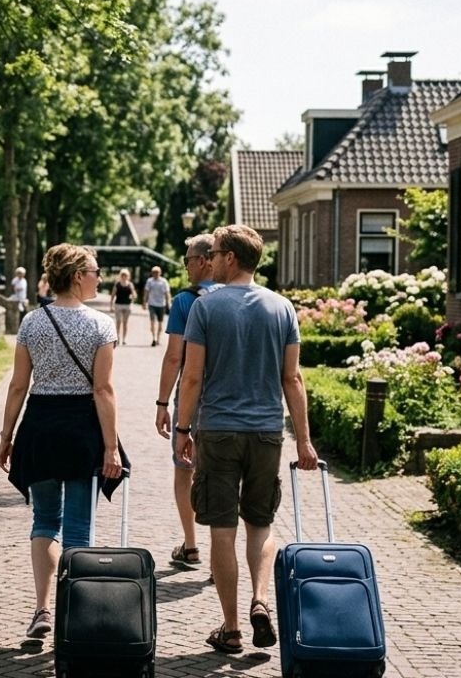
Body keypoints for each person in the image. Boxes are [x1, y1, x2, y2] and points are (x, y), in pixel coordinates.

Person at [172, 224, 319, 656]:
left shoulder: (206, 308)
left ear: (231, 258)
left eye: (215, 253)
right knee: (261, 523)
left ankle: (232, 627)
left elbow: (193, 376)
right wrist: (304, 441)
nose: (210, 260)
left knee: (222, 530)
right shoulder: (282, 308)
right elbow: (292, 378)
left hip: (217, 430)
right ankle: (261, 599)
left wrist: (183, 430)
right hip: (266, 432)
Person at [0, 243, 126, 640]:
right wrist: (110, 447)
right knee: (78, 530)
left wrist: (7, 436)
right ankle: (73, 614)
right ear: (76, 277)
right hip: (82, 430)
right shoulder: (101, 325)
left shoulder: (32, 323)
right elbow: (103, 390)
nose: (99, 277)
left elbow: (19, 385)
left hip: (40, 426)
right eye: (93, 271)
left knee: (44, 520)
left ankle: (42, 609)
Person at [154, 234, 220, 572]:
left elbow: (173, 357)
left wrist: (162, 403)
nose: (186, 266)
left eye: (188, 260)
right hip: (227, 401)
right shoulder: (238, 297)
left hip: (192, 399)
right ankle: (223, 557)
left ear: (206, 260)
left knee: (185, 470)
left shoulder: (184, 301)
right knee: (224, 476)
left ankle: (192, 546)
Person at [142, 266, 171, 347]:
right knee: (152, 322)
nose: (155, 274)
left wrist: (168, 303)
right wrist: (144, 302)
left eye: (157, 272)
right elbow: (146, 292)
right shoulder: (150, 281)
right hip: (152, 304)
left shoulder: (164, 281)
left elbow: (167, 293)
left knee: (160, 323)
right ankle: (154, 338)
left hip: (161, 304)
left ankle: (158, 338)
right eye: (154, 272)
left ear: (160, 273)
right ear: (152, 273)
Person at [111, 269, 137, 344]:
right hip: (118, 304)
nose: (124, 276)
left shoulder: (130, 285)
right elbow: (113, 294)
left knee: (125, 323)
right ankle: (117, 337)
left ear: (128, 276)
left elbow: (134, 294)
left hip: (127, 305)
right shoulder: (117, 284)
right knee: (118, 321)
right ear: (121, 276)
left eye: (125, 275)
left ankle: (124, 339)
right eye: (123, 275)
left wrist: (132, 296)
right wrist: (111, 305)